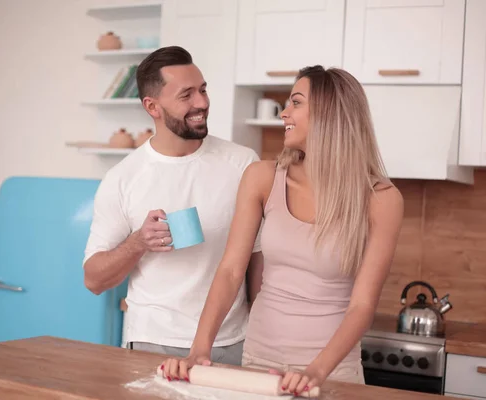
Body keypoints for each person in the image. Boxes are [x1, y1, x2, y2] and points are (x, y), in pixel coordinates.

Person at [160, 65, 404, 395]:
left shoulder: (381, 200)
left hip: (331, 370)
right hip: (259, 360)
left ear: (329, 113)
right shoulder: (262, 178)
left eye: (296, 102)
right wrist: (199, 349)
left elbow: (362, 305)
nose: (284, 112)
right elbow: (232, 271)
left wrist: (316, 371)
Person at [82, 46, 264, 367]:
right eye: (187, 95)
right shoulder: (123, 178)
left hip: (233, 341)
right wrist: (139, 242)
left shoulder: (242, 163)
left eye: (204, 90)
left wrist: (261, 332)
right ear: (152, 106)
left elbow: (258, 261)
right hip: (155, 342)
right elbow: (94, 280)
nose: (202, 103)